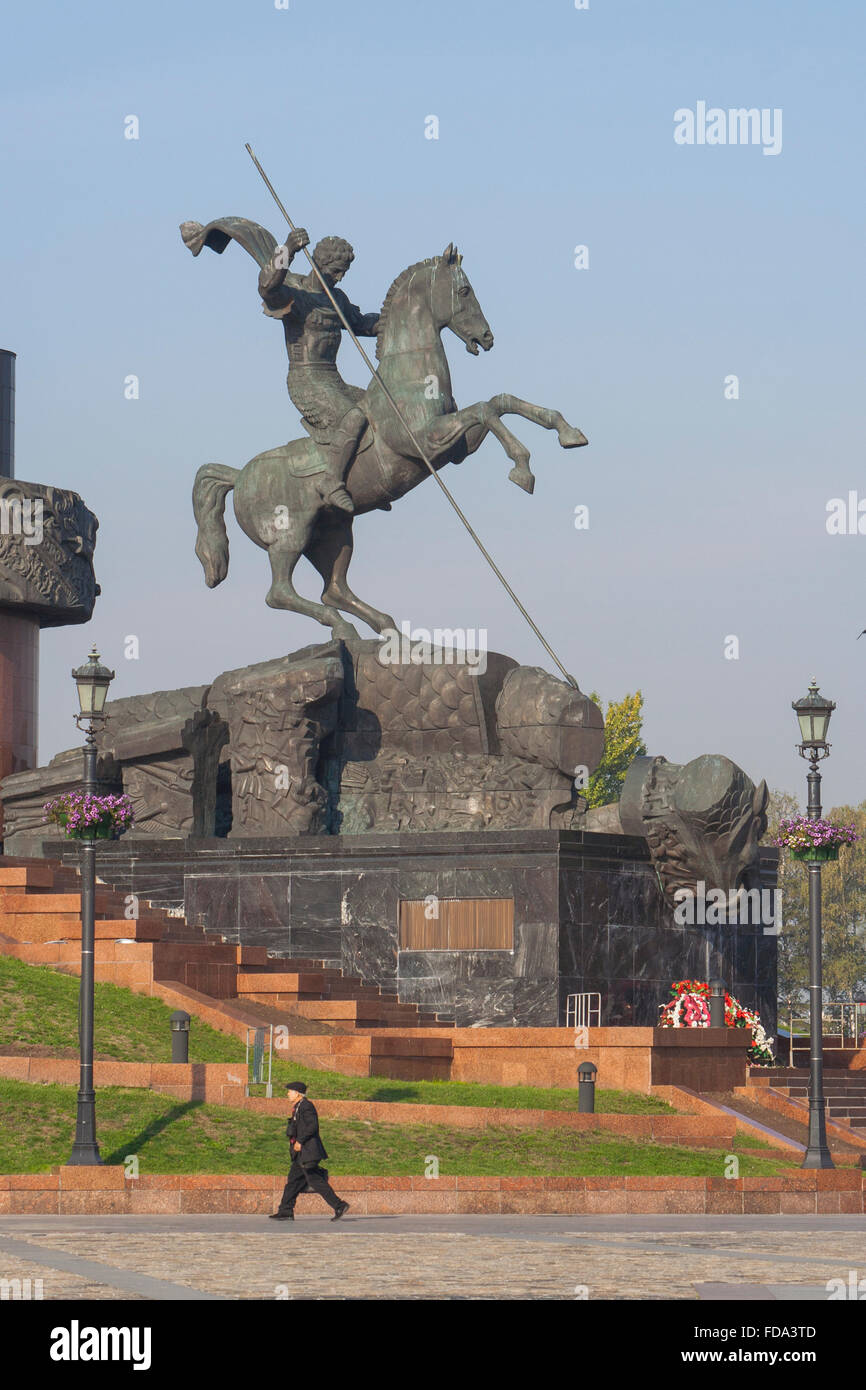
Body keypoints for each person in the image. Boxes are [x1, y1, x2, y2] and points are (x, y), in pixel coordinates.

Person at [258, 229, 380, 515]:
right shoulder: (295, 293)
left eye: (344, 272)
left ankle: (362, 479)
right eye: (336, 271)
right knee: (354, 417)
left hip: (333, 380)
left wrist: (396, 317)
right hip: (305, 379)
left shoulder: (336, 298)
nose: (340, 278)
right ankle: (331, 483)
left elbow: (361, 324)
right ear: (320, 264)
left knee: (379, 411)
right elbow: (267, 288)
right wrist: (287, 249)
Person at [269, 1081, 349, 1222]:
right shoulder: (299, 1106)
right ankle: (285, 1211)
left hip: (308, 1151)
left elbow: (313, 1126)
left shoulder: (306, 1106)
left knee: (315, 1180)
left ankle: (339, 1205)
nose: (287, 1094)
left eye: (290, 1091)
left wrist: (300, 1141)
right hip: (301, 1153)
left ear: (297, 1093)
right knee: (293, 1181)